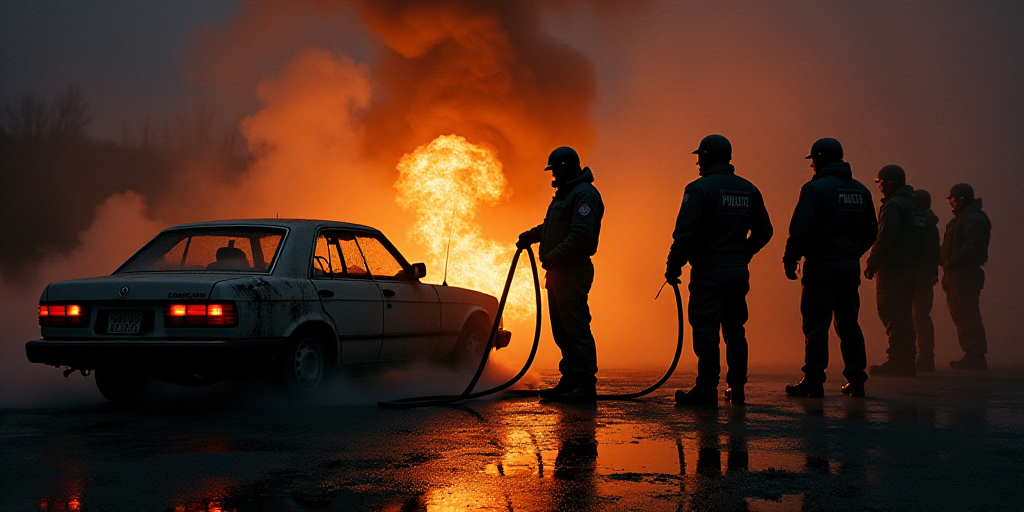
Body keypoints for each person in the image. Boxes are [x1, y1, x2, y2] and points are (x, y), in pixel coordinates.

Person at [666, 134, 773, 407]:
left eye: (700, 157)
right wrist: (744, 253)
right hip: (737, 273)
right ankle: (737, 389)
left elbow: (685, 233)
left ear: (707, 156)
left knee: (707, 331)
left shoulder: (699, 189)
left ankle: (706, 389)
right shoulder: (749, 189)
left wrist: (673, 265)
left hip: (708, 272)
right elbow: (765, 230)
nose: (698, 163)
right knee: (736, 330)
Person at [783, 138, 877, 399]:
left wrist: (791, 259)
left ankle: (814, 380)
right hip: (849, 266)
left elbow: (800, 230)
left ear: (821, 158)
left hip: (822, 266)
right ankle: (856, 380)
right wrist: (851, 253)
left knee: (816, 325)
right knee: (849, 323)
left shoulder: (815, 190)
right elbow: (871, 231)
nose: (811, 165)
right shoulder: (861, 191)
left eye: (812, 159)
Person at [517, 146, 604, 402]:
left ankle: (585, 384)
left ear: (565, 168)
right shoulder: (566, 195)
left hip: (572, 271)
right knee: (561, 330)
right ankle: (570, 380)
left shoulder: (584, 195)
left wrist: (552, 256)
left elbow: (580, 235)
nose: (553, 175)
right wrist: (532, 236)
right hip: (558, 272)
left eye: (555, 169)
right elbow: (554, 226)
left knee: (575, 329)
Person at [864, 164, 927, 377]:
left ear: (889, 182)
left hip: (892, 269)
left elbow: (886, 238)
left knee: (892, 313)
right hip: (910, 268)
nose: (879, 187)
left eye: (880, 183)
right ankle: (906, 359)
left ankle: (898, 360)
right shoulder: (915, 206)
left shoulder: (894, 206)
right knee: (905, 315)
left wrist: (873, 263)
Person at [940, 183, 991, 370]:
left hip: (965, 274)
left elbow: (974, 245)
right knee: (960, 315)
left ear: (961, 199)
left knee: (968, 314)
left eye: (952, 199)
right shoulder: (962, 219)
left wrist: (952, 260)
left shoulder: (973, 219)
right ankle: (970, 353)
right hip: (956, 274)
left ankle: (977, 355)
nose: (951, 203)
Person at [911, 189, 941, 372]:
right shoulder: (930, 224)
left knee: (919, 316)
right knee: (921, 316)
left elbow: (927, 251)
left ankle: (924, 356)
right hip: (923, 275)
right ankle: (924, 355)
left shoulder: (922, 224)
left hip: (918, 275)